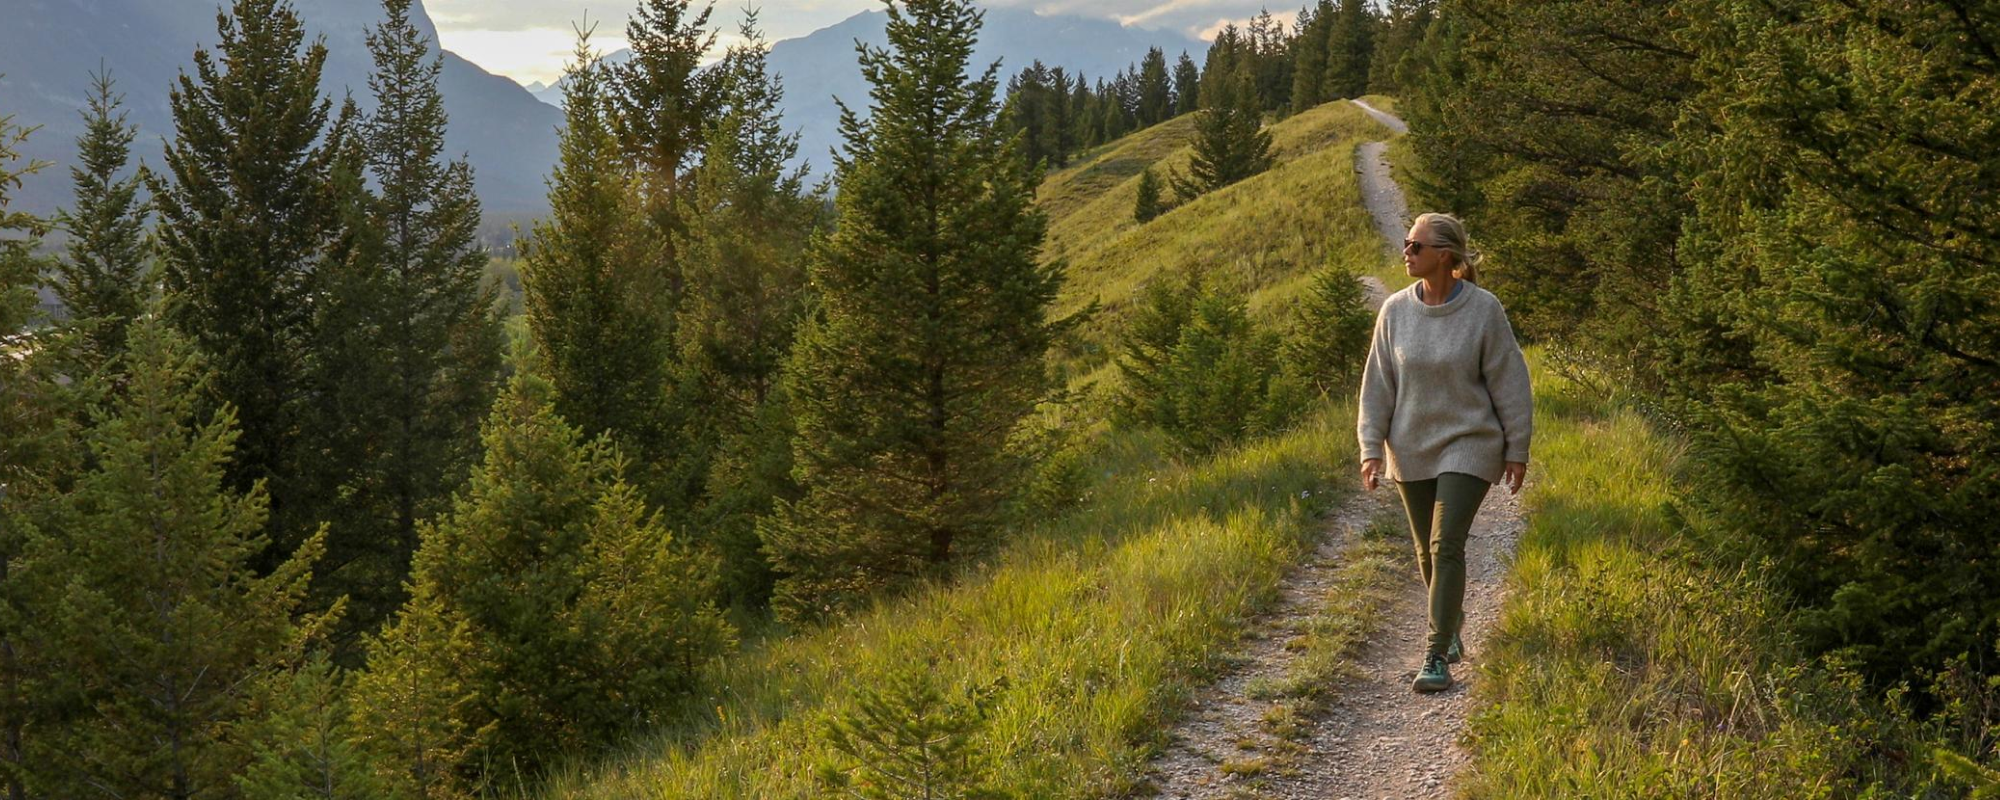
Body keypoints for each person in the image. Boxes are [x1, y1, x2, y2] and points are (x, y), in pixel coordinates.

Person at [1356, 212, 1533, 694]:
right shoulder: (1394, 310)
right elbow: (1377, 387)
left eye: (1416, 246)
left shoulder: (1483, 310)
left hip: (1470, 442)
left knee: (1445, 543)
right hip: (1410, 445)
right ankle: (1450, 624)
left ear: (1445, 255)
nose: (1406, 252)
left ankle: (1435, 656)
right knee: (1424, 551)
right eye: (1406, 244)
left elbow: (1510, 382)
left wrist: (1516, 449)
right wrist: (1371, 448)